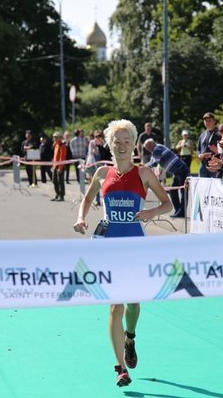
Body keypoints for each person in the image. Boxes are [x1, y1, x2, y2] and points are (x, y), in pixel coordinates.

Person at [73, 119, 172, 387]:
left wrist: (151, 211)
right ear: (109, 144)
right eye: (117, 141)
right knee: (115, 305)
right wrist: (82, 217)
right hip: (108, 248)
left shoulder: (145, 174)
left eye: (127, 141)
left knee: (133, 304)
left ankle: (130, 337)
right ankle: (120, 368)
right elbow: (87, 198)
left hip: (136, 248)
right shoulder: (102, 174)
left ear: (134, 145)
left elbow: (168, 204)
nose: (122, 146)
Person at [142, 138, 189, 218]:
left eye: (147, 147)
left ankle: (182, 212)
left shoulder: (157, 149)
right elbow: (152, 161)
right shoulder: (156, 149)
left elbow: (154, 163)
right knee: (173, 191)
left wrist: (143, 167)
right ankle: (178, 210)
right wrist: (144, 166)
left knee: (183, 191)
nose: (146, 149)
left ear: (150, 144)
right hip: (177, 171)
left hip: (180, 169)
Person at [197, 112, 220, 177]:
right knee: (202, 185)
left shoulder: (219, 134)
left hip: (214, 165)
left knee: (214, 185)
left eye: (209, 120)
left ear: (214, 121)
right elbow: (198, 148)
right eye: (206, 121)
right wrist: (199, 155)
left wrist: (211, 155)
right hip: (203, 165)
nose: (207, 122)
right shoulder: (202, 134)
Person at [51, 131, 67, 201]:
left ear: (59, 138)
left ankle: (61, 196)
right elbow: (55, 156)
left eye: (56, 137)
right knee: (54, 180)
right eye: (54, 137)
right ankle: (57, 194)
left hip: (60, 166)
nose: (54, 138)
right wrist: (53, 166)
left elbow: (62, 158)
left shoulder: (62, 146)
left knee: (60, 181)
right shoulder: (55, 145)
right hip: (55, 165)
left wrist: (60, 168)